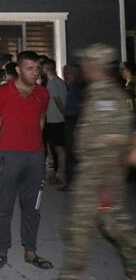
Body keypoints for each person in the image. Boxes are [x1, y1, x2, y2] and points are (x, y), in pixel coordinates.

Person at [58, 44, 136, 279]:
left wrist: (107, 184)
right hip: (95, 174)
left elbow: (112, 145)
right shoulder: (98, 92)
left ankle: (71, 275)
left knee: (87, 227)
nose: (82, 66)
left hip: (99, 175)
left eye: (86, 62)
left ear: (95, 65)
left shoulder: (107, 97)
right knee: (104, 225)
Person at [0, 50, 52, 271]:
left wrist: (36, 146)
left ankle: (30, 251)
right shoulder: (4, 91)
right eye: (30, 68)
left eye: (37, 68)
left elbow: (41, 119)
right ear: (19, 69)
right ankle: (1, 251)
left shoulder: (43, 93)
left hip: (35, 158)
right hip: (9, 156)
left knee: (33, 208)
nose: (35, 72)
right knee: (4, 206)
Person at [43, 59, 67, 185]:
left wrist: (64, 114)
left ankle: (60, 174)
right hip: (58, 119)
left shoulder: (52, 84)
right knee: (58, 148)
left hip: (55, 119)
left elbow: (57, 100)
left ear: (47, 68)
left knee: (58, 149)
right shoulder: (61, 82)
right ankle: (60, 173)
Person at [62, 64, 83, 190]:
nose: (65, 75)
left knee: (71, 151)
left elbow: (77, 107)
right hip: (71, 121)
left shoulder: (75, 88)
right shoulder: (71, 87)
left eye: (66, 72)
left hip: (73, 121)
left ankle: (72, 182)